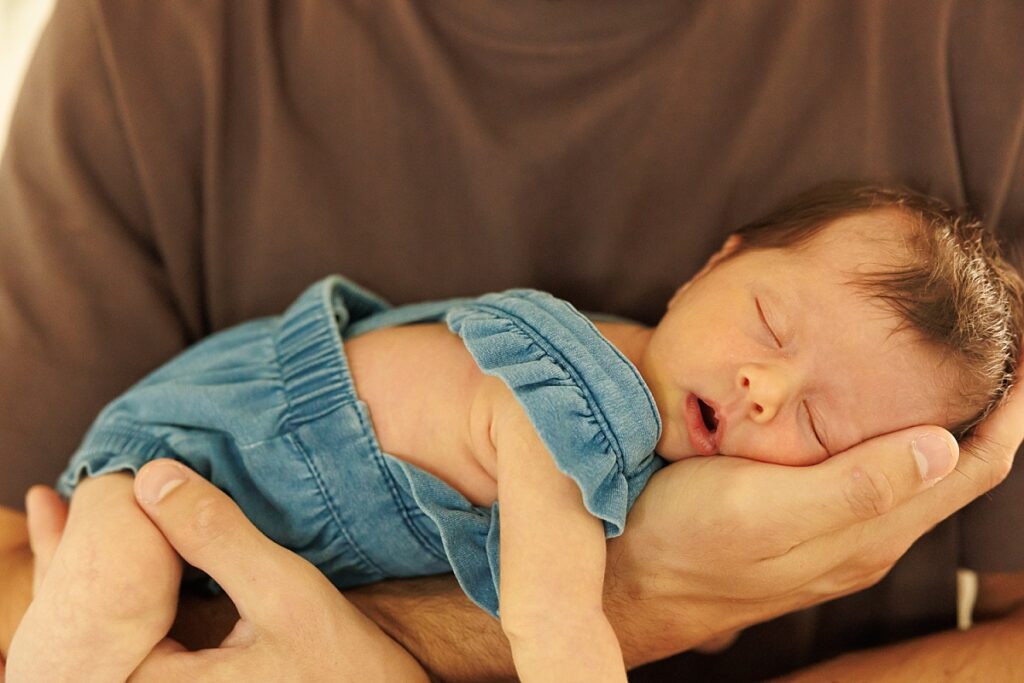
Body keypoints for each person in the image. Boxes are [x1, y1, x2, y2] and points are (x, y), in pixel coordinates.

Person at [2, 1, 1024, 680]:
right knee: (97, 595)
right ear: (716, 261)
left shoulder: (977, 44)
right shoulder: (584, 395)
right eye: (767, 327)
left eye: (818, 418)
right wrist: (639, 600)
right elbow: (555, 616)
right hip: (183, 464)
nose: (763, 384)